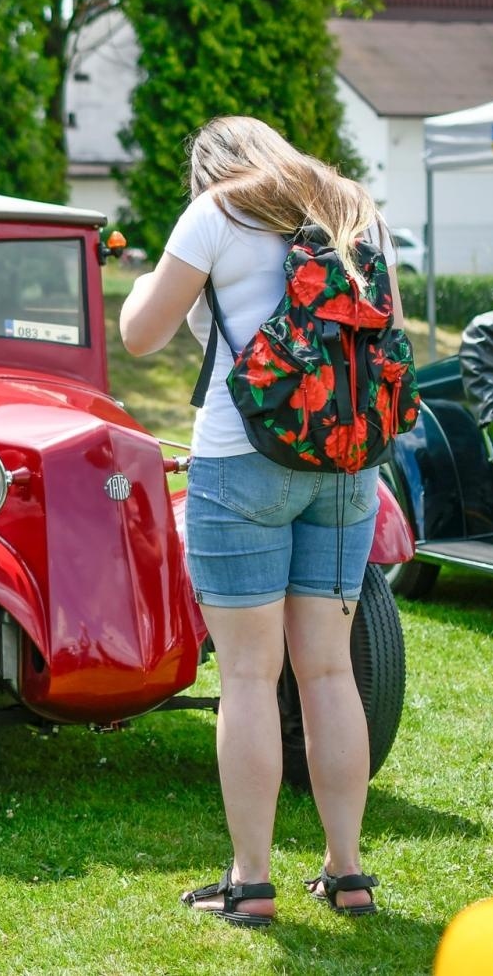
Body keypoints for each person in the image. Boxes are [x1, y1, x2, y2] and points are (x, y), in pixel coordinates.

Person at [119, 115, 397, 927]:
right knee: (330, 672)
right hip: (346, 459)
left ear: (210, 168)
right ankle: (347, 871)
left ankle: (251, 881)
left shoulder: (217, 211)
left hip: (242, 459)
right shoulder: (353, 204)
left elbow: (141, 335)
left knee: (246, 675)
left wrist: (145, 278)